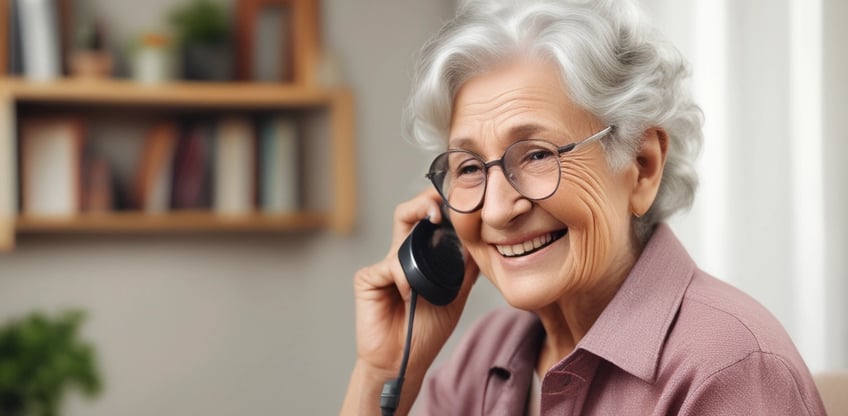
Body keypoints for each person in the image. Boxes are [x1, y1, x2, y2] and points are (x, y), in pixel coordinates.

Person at [341, 0, 827, 414]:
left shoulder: (728, 369)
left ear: (641, 164)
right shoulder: (483, 358)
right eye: (469, 168)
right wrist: (382, 372)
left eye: (535, 154)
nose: (495, 210)